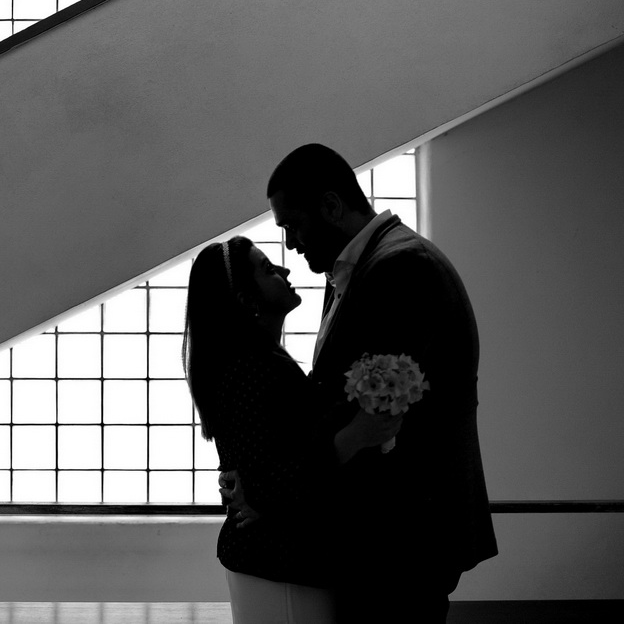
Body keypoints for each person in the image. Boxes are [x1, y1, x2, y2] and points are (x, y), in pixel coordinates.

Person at [226, 143, 498, 623]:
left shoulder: (402, 267)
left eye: (293, 225)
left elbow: (360, 413)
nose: (290, 245)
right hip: (384, 531)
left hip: (400, 530)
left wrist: (271, 487)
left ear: (331, 206)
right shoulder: (365, 267)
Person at [182, 235, 400, 623]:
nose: (284, 270)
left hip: (280, 561)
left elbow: (266, 464)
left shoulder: (261, 360)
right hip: (277, 562)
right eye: (267, 268)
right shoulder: (251, 368)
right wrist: (355, 436)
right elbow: (269, 476)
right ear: (247, 300)